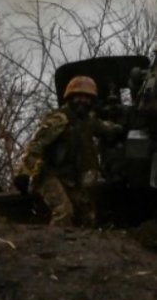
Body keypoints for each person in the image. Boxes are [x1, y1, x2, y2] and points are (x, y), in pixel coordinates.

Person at [14, 75, 123, 227]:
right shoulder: (59, 119)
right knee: (63, 211)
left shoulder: (88, 121)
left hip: (70, 178)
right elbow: (36, 145)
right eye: (79, 96)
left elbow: (106, 128)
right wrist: (24, 173)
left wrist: (121, 128)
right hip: (49, 175)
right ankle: (56, 247)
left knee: (88, 216)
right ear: (70, 97)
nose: (83, 101)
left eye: (87, 97)